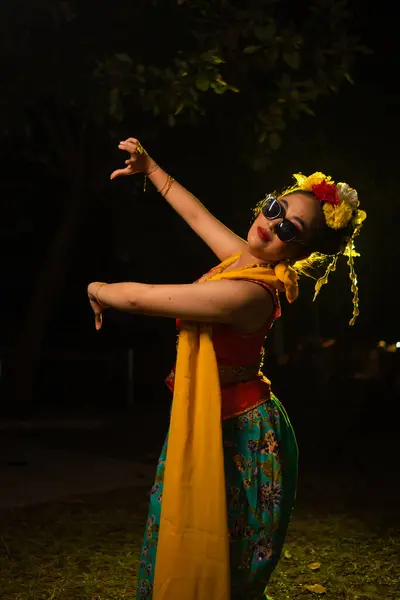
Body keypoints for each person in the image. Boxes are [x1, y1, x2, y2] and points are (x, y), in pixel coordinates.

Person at [87, 138, 366, 600]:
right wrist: (151, 167)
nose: (272, 226)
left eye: (290, 230)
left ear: (299, 252)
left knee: (221, 554)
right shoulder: (245, 259)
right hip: (210, 418)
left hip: (241, 435)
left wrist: (97, 287)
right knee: (180, 524)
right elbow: (196, 215)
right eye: (274, 209)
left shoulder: (251, 293)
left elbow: (143, 299)